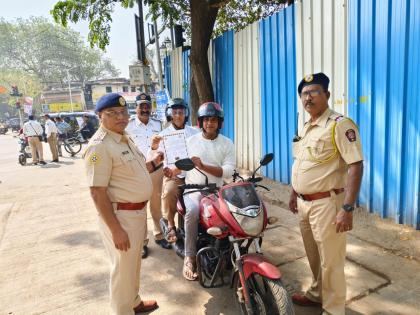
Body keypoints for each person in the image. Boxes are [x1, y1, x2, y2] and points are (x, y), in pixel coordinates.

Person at [289, 73, 364, 315]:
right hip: (304, 203)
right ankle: (317, 293)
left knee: (331, 261)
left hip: (327, 205)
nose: (307, 97)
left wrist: (347, 208)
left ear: (327, 95)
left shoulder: (340, 124)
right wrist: (293, 192)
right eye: (304, 94)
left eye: (313, 92)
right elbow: (301, 162)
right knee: (313, 255)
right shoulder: (308, 126)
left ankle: (333, 309)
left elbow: (356, 165)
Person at [83, 93, 163, 314]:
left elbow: (133, 171)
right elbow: (97, 192)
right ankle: (123, 310)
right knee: (122, 271)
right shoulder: (99, 147)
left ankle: (134, 302)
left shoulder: (123, 137)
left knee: (132, 265)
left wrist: (154, 163)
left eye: (123, 112)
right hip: (121, 218)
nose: (120, 117)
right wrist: (116, 229)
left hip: (136, 214)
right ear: (100, 116)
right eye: (112, 113)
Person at [178, 102, 235, 281]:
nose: (210, 123)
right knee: (193, 212)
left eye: (214, 120)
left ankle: (233, 252)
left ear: (220, 123)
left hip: (217, 191)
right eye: (206, 120)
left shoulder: (227, 143)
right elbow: (181, 169)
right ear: (200, 122)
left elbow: (228, 172)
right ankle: (190, 256)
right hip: (193, 190)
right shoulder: (190, 142)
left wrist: (203, 166)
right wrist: (173, 170)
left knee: (233, 213)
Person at [126, 92, 171, 258]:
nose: (145, 109)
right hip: (137, 170)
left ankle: (159, 235)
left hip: (156, 169)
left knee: (156, 204)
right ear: (136, 108)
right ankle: (143, 242)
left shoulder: (159, 124)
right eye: (141, 106)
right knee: (139, 207)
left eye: (147, 106)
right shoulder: (128, 126)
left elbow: (165, 146)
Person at [151, 98, 200, 243]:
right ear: (170, 114)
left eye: (181, 112)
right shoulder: (163, 135)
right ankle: (171, 224)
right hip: (174, 175)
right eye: (175, 112)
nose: (178, 115)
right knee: (170, 192)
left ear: (186, 114)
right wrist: (154, 147)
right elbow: (153, 156)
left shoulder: (194, 132)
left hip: (194, 173)